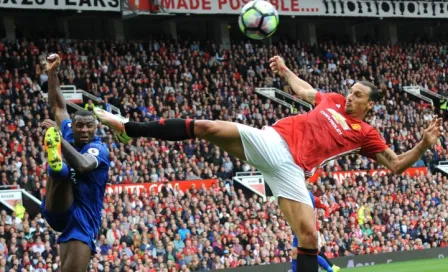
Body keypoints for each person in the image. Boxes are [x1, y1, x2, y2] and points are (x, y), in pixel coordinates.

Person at [94, 56, 443, 272]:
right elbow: (307, 92)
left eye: (358, 95)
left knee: (309, 237)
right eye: (350, 92)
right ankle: (128, 128)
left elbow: (396, 165)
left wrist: (423, 145)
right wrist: (286, 71)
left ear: (370, 104)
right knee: (207, 127)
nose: (350, 97)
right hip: (272, 141)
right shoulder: (333, 101)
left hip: (294, 170)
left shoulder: (366, 132)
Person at [41, 54, 110, 272]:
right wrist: (52, 73)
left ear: (95, 128)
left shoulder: (98, 149)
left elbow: (82, 165)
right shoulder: (69, 132)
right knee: (60, 172)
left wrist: (59, 139)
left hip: (83, 220)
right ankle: (56, 166)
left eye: (89, 126)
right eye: (79, 126)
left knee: (65, 170)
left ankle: (57, 166)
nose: (83, 130)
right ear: (75, 125)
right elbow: (59, 106)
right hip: (61, 206)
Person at [292, 191, 340, 272]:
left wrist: (326, 218)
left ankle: (330, 268)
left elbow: (325, 207)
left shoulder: (312, 197)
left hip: (307, 228)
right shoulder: (296, 194)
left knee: (309, 253)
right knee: (297, 253)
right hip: (299, 227)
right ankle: (330, 268)